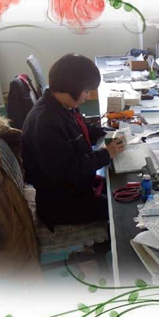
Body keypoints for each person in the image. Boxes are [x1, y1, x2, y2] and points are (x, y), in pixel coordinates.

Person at [22, 53, 125, 227]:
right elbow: (68, 170)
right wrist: (106, 154)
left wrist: (107, 132)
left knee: (122, 190)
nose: (87, 97)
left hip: (77, 189)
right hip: (62, 205)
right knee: (122, 208)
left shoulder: (62, 105)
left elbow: (82, 129)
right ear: (71, 89)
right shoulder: (46, 122)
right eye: (86, 91)